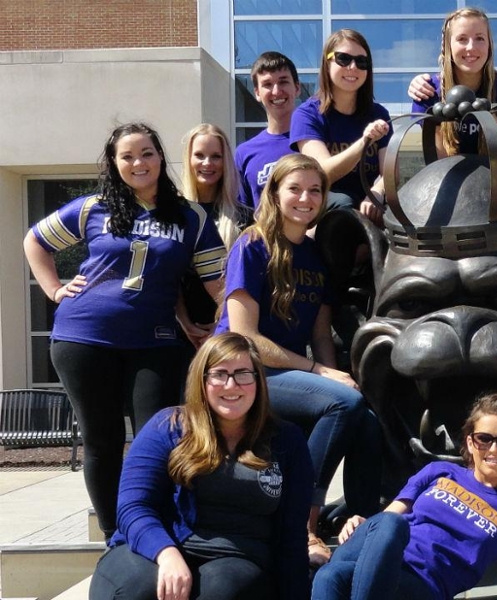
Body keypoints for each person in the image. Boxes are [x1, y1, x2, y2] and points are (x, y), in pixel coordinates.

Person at [23, 122, 226, 539]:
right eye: (127, 156)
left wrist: (229, 324)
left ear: (160, 157)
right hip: (84, 336)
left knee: (159, 437)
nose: (138, 162)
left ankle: (155, 528)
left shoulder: (191, 216)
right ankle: (115, 536)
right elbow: (35, 240)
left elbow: (219, 282)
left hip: (155, 339)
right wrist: (55, 288)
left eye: (147, 153)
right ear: (114, 164)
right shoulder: (92, 207)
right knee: (102, 440)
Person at [215, 153, 381, 566]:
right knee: (341, 402)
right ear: (274, 193)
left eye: (315, 190)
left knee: (364, 414)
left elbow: (320, 333)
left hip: (286, 371)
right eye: (295, 188)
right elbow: (245, 337)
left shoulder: (315, 255)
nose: (305, 198)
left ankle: (361, 523)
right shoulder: (252, 245)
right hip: (241, 372)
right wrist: (320, 372)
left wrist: (337, 374)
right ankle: (302, 526)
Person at [89, 332, 313, 600]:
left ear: (258, 381)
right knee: (141, 589)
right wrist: (167, 554)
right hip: (155, 547)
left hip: (238, 557)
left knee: (225, 591)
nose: (231, 386)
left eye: (243, 373)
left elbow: (292, 536)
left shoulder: (286, 440)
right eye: (219, 374)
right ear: (202, 380)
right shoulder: (168, 426)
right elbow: (133, 507)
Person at [311, 391, 497, 600]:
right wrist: (362, 524)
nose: (494, 449)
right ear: (471, 443)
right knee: (389, 523)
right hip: (379, 555)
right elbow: (390, 519)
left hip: (425, 584)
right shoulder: (439, 471)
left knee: (329, 576)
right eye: (484, 439)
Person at [290, 29, 391, 224]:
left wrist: (377, 192)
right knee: (345, 203)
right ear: (327, 63)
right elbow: (323, 172)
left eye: (361, 62)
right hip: (326, 205)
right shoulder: (307, 114)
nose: (353, 67)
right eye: (343, 59)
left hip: (370, 203)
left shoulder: (379, 114)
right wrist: (365, 142)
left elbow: (388, 169)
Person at [408, 8, 497, 162]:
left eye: (480, 38)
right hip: (447, 180)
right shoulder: (428, 92)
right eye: (462, 39)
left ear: (489, 45)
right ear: (447, 46)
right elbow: (441, 167)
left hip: (492, 180)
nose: (471, 47)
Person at [178, 123, 251, 349]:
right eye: (199, 155)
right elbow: (167, 278)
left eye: (216, 156)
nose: (207, 164)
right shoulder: (172, 213)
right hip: (177, 331)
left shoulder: (245, 217)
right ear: (188, 160)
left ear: (226, 161)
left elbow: (251, 281)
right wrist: (184, 322)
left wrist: (222, 324)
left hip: (228, 334)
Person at [235, 51, 301, 211]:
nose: (276, 91)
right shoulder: (244, 153)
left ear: (297, 88)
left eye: (283, 82)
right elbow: (243, 215)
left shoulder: (314, 143)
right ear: (257, 93)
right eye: (267, 84)